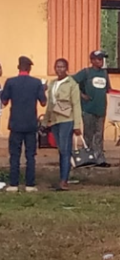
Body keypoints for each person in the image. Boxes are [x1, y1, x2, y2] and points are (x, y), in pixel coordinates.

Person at [1, 56, 47, 193]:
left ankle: (14, 184)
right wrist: (43, 89)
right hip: (31, 124)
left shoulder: (10, 82)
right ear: (30, 68)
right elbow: (43, 102)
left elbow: (3, 101)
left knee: (14, 155)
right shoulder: (37, 83)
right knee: (30, 155)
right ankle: (30, 184)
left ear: (18, 67)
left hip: (15, 124)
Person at [44, 58, 82, 191]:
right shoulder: (53, 83)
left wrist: (77, 125)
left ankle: (64, 181)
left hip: (67, 120)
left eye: (62, 67)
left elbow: (76, 105)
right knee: (61, 150)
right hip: (55, 120)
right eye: (57, 67)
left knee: (65, 150)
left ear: (67, 68)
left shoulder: (72, 84)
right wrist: (45, 121)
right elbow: (50, 104)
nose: (59, 69)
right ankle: (62, 178)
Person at [73, 50, 111, 167]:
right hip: (88, 109)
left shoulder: (104, 74)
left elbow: (108, 89)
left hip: (101, 109)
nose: (101, 62)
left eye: (102, 59)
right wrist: (82, 95)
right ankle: (88, 158)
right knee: (88, 134)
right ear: (92, 61)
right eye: (98, 59)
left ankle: (99, 159)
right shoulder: (86, 72)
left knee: (99, 135)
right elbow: (72, 82)